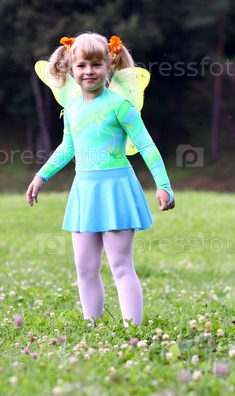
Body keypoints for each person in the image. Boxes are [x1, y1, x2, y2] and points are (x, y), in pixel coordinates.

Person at [26, 32, 175, 325]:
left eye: (96, 64)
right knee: (84, 266)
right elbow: (67, 147)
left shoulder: (120, 106)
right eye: (82, 65)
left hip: (117, 190)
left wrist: (163, 185)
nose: (89, 71)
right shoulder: (72, 108)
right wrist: (41, 176)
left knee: (120, 265)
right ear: (71, 68)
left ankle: (133, 329)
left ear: (109, 66)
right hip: (85, 191)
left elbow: (146, 146)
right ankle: (91, 325)